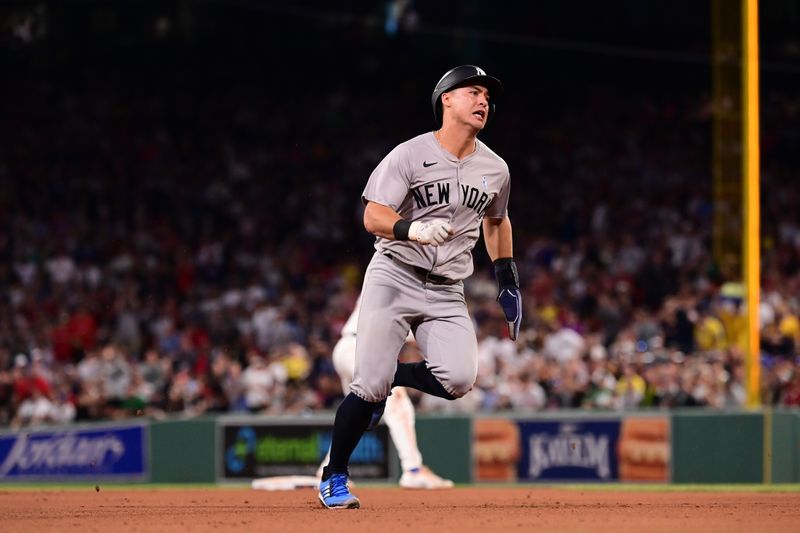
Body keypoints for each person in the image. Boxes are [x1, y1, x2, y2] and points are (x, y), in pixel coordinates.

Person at [318, 65, 521, 509]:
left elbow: (497, 221)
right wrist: (411, 230)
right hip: (394, 272)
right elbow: (373, 215)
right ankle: (334, 477)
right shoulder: (409, 154)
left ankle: (390, 377)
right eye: (473, 91)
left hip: (448, 287)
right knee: (366, 385)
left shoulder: (495, 168)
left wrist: (506, 276)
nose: (483, 100)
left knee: (459, 378)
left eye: (487, 95)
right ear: (446, 99)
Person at [316, 295, 454, 489]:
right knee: (396, 398)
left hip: (350, 347)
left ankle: (328, 467)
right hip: (359, 346)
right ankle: (413, 469)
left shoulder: (394, 278)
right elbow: (414, 332)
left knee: (358, 409)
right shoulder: (402, 281)